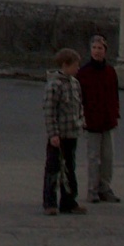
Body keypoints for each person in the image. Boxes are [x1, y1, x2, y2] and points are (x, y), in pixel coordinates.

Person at [77, 33, 121, 203]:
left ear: (105, 50)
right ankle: (92, 189)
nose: (97, 51)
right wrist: (81, 118)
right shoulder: (84, 73)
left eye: (100, 48)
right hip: (91, 121)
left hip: (108, 120)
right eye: (94, 48)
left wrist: (115, 114)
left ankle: (105, 187)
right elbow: (79, 98)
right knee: (93, 158)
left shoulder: (110, 72)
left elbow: (114, 95)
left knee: (108, 158)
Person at [43, 48, 86, 215]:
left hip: (71, 133)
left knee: (69, 168)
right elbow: (49, 111)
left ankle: (69, 201)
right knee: (53, 169)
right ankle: (50, 203)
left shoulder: (75, 84)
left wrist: (81, 122)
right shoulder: (54, 85)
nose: (77, 69)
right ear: (65, 65)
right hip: (58, 135)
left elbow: (79, 106)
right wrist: (53, 133)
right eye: (75, 65)